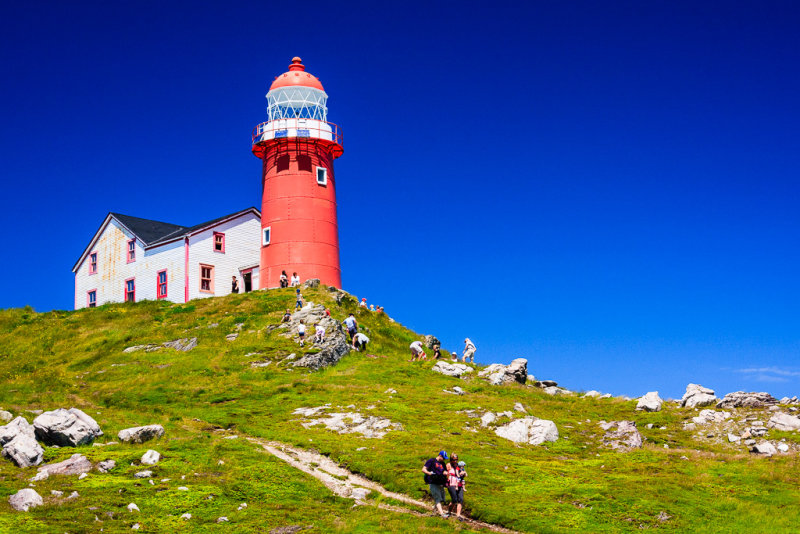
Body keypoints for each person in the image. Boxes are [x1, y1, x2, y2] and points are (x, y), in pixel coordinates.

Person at [422, 451, 449, 518]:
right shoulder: (432, 461)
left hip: (440, 483)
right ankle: (442, 514)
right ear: (440, 455)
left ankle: (434, 512)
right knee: (437, 498)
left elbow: (444, 471)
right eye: (443, 458)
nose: (444, 459)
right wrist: (430, 473)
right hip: (433, 482)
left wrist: (445, 473)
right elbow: (423, 469)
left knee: (442, 498)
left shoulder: (443, 463)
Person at [446, 454, 467, 520]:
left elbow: (464, 472)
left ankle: (458, 515)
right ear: (451, 459)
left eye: (456, 460)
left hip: (459, 483)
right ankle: (449, 512)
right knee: (454, 499)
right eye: (454, 460)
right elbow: (446, 473)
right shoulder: (448, 465)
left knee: (460, 499)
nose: (455, 461)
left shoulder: (459, 465)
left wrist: (463, 473)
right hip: (451, 483)